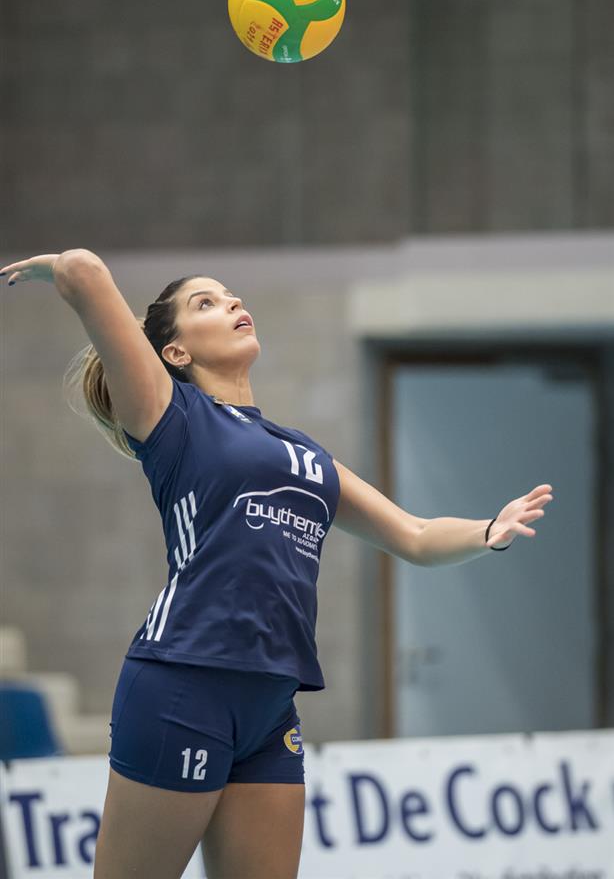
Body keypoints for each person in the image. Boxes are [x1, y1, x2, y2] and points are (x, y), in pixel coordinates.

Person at [0, 249, 553, 879]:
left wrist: (488, 531)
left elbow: (417, 535)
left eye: (231, 295)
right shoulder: (170, 418)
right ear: (175, 352)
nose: (233, 302)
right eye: (206, 303)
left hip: (271, 704)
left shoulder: (306, 455)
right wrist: (54, 267)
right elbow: (85, 273)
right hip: (184, 683)